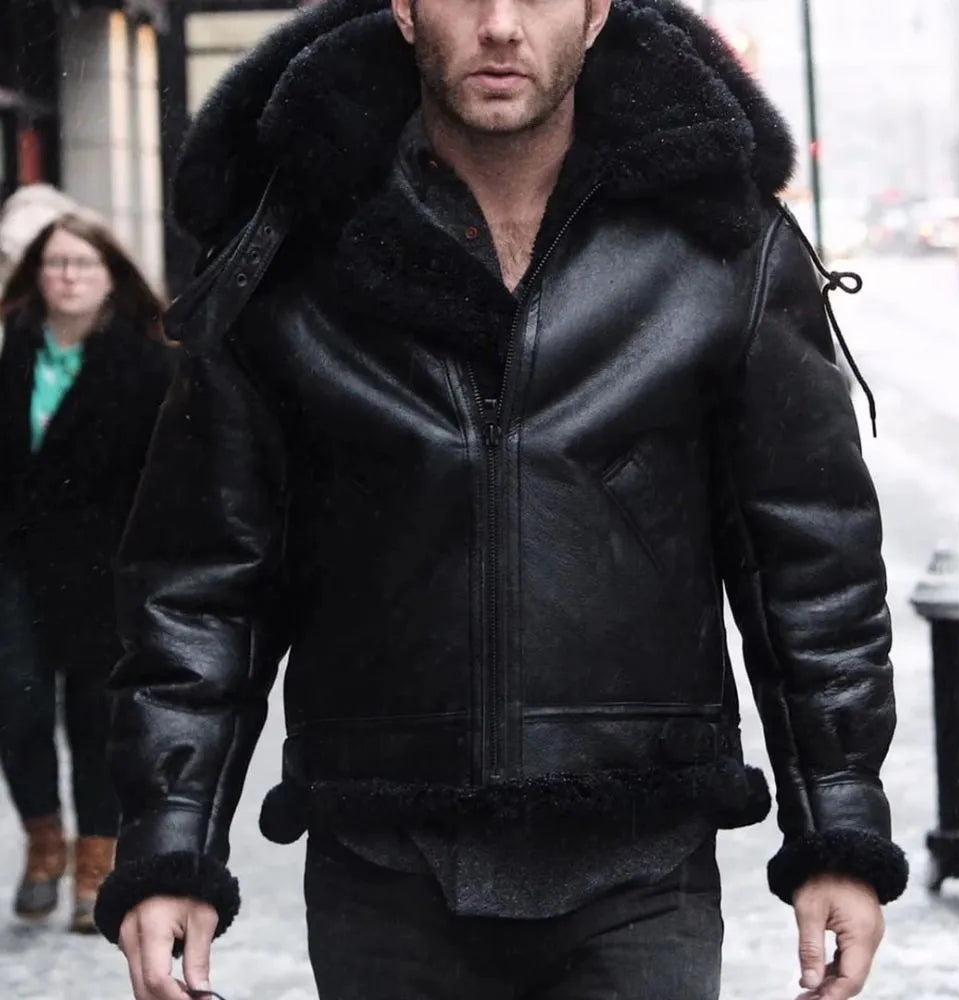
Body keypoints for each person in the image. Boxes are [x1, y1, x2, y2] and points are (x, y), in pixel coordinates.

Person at [94, 0, 908, 997]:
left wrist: (837, 828)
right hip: (383, 863)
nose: (499, 24)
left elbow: (810, 565)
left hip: (639, 865)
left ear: (595, 12)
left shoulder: (722, 243)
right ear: (404, 10)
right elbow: (201, 579)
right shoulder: (290, 246)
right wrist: (170, 842)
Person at [0, 211, 173, 933]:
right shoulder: (10, 350)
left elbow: (166, 478)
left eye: (82, 263)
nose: (67, 276)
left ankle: (96, 862)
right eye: (55, 263)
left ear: (111, 277)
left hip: (107, 567)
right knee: (17, 700)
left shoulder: (148, 363)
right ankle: (44, 839)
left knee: (98, 716)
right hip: (15, 563)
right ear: (37, 275)